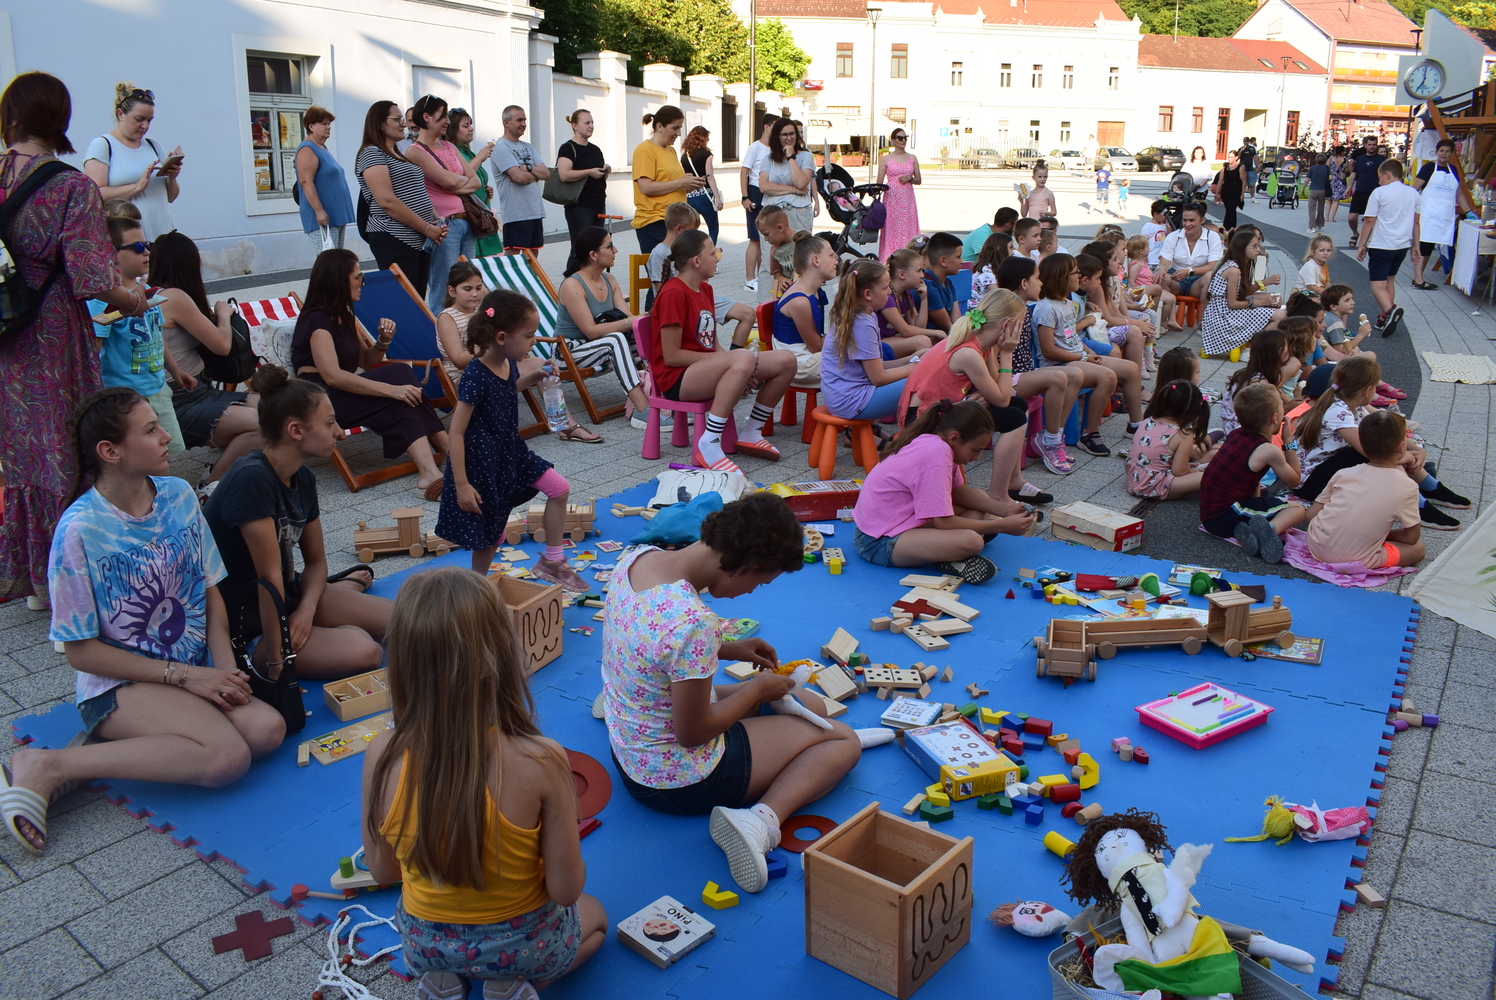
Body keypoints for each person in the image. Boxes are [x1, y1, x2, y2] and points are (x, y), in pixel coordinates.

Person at [2, 388, 285, 856]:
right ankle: (49, 764)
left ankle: (100, 755)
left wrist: (224, 669)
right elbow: (80, 651)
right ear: (110, 452)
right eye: (151, 430)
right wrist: (190, 676)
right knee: (227, 757)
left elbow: (209, 589)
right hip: (121, 685)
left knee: (266, 730)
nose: (166, 437)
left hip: (192, 670)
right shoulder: (78, 530)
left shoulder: (177, 496)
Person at [601, 493, 863, 893]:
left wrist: (727, 648)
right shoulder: (693, 624)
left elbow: (651, 636)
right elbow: (692, 734)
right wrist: (754, 688)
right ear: (747, 566)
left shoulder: (638, 559)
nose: (754, 592)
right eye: (761, 581)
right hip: (675, 781)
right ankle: (758, 822)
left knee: (804, 703)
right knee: (842, 741)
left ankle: (626, 699)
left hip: (631, 743)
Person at [362, 568, 605, 997]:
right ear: (501, 657)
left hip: (425, 947)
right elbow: (567, 891)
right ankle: (516, 986)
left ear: (401, 662)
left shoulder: (381, 752)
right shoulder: (541, 757)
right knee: (597, 918)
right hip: (523, 946)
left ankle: (444, 982)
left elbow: (382, 870)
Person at [0, 71, 155, 611]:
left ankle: (34, 582)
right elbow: (93, 277)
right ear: (60, 121)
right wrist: (133, 298)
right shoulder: (69, 186)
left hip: (5, 330)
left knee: (22, 453)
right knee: (67, 443)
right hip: (52, 335)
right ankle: (70, 577)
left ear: (11, 116)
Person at [204, 367, 392, 679]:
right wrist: (279, 665)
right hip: (250, 625)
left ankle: (333, 606)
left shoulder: (303, 476)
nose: (340, 432)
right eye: (330, 423)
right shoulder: (251, 478)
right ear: (296, 430)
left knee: (404, 620)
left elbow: (317, 562)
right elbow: (268, 580)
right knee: (365, 651)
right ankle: (269, 650)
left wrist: (305, 613)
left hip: (289, 601)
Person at [435, 289, 589, 587]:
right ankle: (476, 586)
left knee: (559, 488)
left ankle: (553, 561)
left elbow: (504, 391)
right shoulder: (475, 375)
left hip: (510, 451)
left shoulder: (507, 364)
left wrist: (535, 377)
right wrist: (463, 484)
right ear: (502, 337)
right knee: (492, 532)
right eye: (529, 335)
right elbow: (456, 431)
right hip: (483, 462)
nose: (534, 342)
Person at [292, 248, 448, 497]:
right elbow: (332, 375)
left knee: (400, 389)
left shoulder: (342, 315)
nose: (362, 282)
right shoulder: (317, 321)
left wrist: (383, 341)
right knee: (399, 382)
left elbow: (367, 361)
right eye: (358, 277)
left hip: (344, 390)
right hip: (319, 398)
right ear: (338, 280)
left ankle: (434, 469)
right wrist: (393, 390)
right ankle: (444, 456)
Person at [647, 231, 797, 474]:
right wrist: (733, 362)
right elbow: (672, 355)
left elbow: (712, 345)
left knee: (786, 361)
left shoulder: (704, 290)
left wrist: (736, 366)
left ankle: (751, 432)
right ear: (696, 261)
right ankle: (710, 442)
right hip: (677, 379)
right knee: (743, 358)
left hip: (701, 370)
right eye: (713, 253)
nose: (717, 258)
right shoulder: (674, 293)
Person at [852, 401, 1034, 578]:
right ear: (954, 437)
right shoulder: (937, 453)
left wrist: (1006, 510)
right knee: (972, 542)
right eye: (975, 450)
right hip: (875, 542)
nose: (978, 457)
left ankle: (946, 553)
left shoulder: (939, 443)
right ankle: (949, 555)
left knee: (979, 500)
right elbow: (943, 523)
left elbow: (958, 492)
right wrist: (1000, 526)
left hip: (897, 522)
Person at [897, 288, 1039, 509]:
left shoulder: (981, 343)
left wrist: (987, 393)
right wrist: (1009, 353)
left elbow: (1001, 391)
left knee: (1018, 406)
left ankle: (1013, 480)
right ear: (1007, 325)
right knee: (1014, 418)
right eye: (1020, 325)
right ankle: (999, 495)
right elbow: (1001, 399)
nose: (1021, 332)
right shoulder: (968, 352)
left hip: (945, 409)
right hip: (922, 420)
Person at [1292, 355, 1466, 527]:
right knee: (1378, 453)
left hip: (1325, 472)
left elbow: (1386, 432)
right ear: (1367, 390)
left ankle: (1430, 488)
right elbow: (1369, 451)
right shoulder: (1337, 411)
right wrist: (1408, 457)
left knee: (1383, 441)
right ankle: (1418, 503)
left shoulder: (1353, 405)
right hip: (1311, 484)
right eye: (1375, 387)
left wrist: (1417, 450)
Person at [149, 231, 264, 488]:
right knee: (268, 424)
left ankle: (233, 460)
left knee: (275, 406)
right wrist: (223, 314)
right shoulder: (174, 297)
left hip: (196, 390)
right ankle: (211, 486)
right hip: (184, 398)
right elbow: (222, 346)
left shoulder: (150, 295)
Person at [555, 226, 656, 427]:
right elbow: (590, 330)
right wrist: (632, 321)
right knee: (616, 340)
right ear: (593, 254)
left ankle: (665, 396)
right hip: (567, 352)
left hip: (599, 344)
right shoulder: (572, 285)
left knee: (647, 332)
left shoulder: (609, 279)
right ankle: (643, 410)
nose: (615, 250)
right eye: (609, 246)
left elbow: (629, 320)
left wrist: (646, 319)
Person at [995, 255, 1084, 478]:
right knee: (1058, 378)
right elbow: (989, 352)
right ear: (1024, 283)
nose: (1041, 282)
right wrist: (989, 387)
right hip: (1007, 378)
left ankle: (1053, 436)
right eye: (1037, 278)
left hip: (1023, 374)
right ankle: (1051, 441)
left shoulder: (1022, 309)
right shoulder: (1008, 313)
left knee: (1075, 374)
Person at [1198, 382, 1305, 563]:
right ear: (1274, 418)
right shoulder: (1269, 451)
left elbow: (1251, 481)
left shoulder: (1235, 434)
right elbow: (1295, 480)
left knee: (1263, 491)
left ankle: (1250, 527)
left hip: (1210, 515)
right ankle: (1266, 531)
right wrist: (1288, 441)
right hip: (1225, 515)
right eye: (1281, 407)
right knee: (1298, 510)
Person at [1306, 410, 1425, 569]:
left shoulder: (1344, 474)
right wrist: (1379, 536)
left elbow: (1311, 515)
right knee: (1418, 550)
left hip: (1316, 546)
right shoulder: (1407, 486)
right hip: (1357, 559)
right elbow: (1411, 537)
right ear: (1401, 446)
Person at [1032, 253, 1122, 457]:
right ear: (1061, 277)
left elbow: (1071, 336)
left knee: (1116, 373)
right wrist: (1082, 358)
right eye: (1075, 272)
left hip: (1074, 358)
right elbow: (1048, 350)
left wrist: (1087, 352)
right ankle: (1081, 434)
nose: (1079, 275)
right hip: (1057, 364)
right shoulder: (1047, 308)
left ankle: (1080, 433)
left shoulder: (1065, 303)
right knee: (1107, 376)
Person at [355, 100, 443, 297]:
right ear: (379, 123)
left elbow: (417, 191)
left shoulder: (397, 153)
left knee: (418, 299)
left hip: (419, 238)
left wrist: (436, 219)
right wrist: (427, 228)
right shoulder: (371, 153)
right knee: (404, 300)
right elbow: (386, 201)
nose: (403, 124)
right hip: (395, 237)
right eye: (397, 119)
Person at [405, 95, 483, 314]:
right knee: (443, 285)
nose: (448, 121)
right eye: (443, 117)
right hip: (444, 225)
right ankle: (440, 334)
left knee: (468, 284)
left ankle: (464, 329)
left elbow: (474, 180)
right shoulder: (415, 151)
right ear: (427, 117)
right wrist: (454, 183)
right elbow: (448, 180)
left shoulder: (449, 145)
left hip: (466, 221)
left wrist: (454, 186)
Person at [647, 203, 757, 347]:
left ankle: (733, 355)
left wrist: (709, 256)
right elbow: (662, 290)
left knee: (748, 314)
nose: (697, 234)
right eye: (693, 230)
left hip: (701, 296)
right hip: (681, 303)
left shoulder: (691, 250)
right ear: (679, 229)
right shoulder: (659, 253)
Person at [822, 259, 918, 423]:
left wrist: (909, 360)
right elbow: (878, 378)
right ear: (867, 294)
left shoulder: (863, 314)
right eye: (885, 287)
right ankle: (911, 441)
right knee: (922, 384)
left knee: (920, 376)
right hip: (851, 401)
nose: (890, 292)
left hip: (842, 396)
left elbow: (874, 368)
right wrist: (915, 367)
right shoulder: (862, 324)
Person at [82, 83, 180, 239]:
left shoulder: (153, 145)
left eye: (149, 120)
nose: (145, 126)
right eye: (139, 119)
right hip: (130, 243)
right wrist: (136, 187)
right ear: (120, 114)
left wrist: (172, 177)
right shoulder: (103, 145)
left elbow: (170, 197)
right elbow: (94, 195)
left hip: (165, 236)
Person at [1356, 159, 1420, 335]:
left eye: (1379, 177)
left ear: (1387, 175)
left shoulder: (1379, 192)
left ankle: (1391, 310)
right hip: (1402, 245)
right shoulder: (1413, 193)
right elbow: (1416, 222)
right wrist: (1416, 246)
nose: (1378, 181)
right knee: (1390, 280)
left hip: (1382, 244)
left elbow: (1369, 220)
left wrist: (1362, 244)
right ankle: (1384, 317)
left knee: (1377, 285)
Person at [632, 105, 703, 256]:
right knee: (664, 274)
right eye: (674, 128)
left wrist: (690, 185)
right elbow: (646, 187)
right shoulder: (645, 150)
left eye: (680, 128)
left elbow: (671, 184)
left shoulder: (670, 151)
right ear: (659, 127)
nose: (678, 133)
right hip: (654, 222)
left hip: (674, 221)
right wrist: (681, 183)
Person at [1127, 379, 1214, 500]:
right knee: (1205, 478)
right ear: (1194, 412)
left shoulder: (1148, 420)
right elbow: (1180, 471)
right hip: (1151, 486)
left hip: (1134, 478)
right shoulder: (1183, 435)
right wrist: (1196, 471)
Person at [1200, 228, 1282, 357]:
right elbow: (1232, 303)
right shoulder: (1233, 270)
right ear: (1242, 248)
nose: (1258, 250)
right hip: (1224, 317)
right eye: (1254, 246)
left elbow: (1242, 292)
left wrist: (1265, 283)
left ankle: (1253, 344)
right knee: (1280, 316)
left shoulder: (1238, 264)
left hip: (1222, 312)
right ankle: (1255, 348)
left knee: (1277, 300)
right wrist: (1260, 302)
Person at [758, 120, 816, 291]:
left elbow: (801, 181)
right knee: (770, 262)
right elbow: (764, 186)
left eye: (792, 133)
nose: (789, 138)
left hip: (798, 212)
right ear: (777, 136)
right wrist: (792, 189)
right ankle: (765, 307)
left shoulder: (805, 156)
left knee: (800, 259)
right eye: (784, 134)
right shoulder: (768, 159)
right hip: (772, 214)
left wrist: (791, 156)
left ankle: (801, 299)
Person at [771, 234, 836, 383]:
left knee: (861, 348)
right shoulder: (800, 301)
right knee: (856, 355)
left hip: (808, 356)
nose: (836, 261)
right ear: (816, 261)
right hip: (798, 364)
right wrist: (844, 320)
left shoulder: (812, 291)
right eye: (831, 255)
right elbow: (817, 347)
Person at [294, 106, 356, 256]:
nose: (328, 127)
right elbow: (305, 182)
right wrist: (319, 211)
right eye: (324, 124)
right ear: (311, 126)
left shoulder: (321, 147)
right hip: (324, 217)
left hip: (336, 215)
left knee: (337, 260)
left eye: (329, 124)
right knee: (329, 261)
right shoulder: (307, 149)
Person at [1411, 137, 1471, 290]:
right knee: (1423, 246)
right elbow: (1414, 189)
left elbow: (1458, 194)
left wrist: (1469, 212)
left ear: (1452, 153)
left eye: (1447, 151)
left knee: (1430, 247)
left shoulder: (1454, 170)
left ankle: (1418, 276)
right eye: (1441, 151)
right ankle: (1418, 279)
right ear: (1436, 152)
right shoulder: (1428, 168)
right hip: (1428, 213)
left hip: (1444, 215)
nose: (1444, 154)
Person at [491, 105, 550, 255]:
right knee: (514, 260)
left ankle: (531, 279)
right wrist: (531, 174)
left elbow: (546, 173)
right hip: (516, 214)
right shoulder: (502, 148)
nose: (523, 124)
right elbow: (519, 177)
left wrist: (527, 168)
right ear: (506, 122)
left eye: (524, 120)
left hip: (534, 211)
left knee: (533, 257)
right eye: (519, 120)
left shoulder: (528, 146)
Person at [449, 108, 504, 257]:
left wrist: (486, 190)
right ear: (453, 130)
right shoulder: (453, 153)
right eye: (465, 126)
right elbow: (460, 177)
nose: (471, 129)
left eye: (470, 125)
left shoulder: (468, 152)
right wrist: (479, 158)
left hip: (481, 214)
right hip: (470, 217)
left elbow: (476, 178)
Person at [1218, 327, 1294, 436]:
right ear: (1280, 351)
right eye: (1288, 347)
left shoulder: (1248, 375)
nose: (1290, 351)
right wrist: (1287, 408)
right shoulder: (1258, 384)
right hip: (1242, 436)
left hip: (1236, 431)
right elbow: (1261, 421)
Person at [556, 108, 612, 257]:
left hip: (598, 203)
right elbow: (564, 174)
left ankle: (591, 279)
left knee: (597, 247)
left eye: (592, 122)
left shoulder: (595, 149)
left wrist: (604, 171)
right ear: (575, 125)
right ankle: (571, 279)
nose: (591, 126)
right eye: (587, 122)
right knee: (581, 249)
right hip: (579, 206)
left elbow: (598, 177)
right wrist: (589, 172)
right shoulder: (568, 148)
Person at [739, 116, 780, 292]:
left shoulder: (775, 149)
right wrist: (745, 197)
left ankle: (760, 275)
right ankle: (749, 279)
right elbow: (744, 173)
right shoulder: (755, 148)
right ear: (766, 127)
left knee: (765, 238)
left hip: (769, 193)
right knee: (754, 239)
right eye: (775, 127)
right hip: (755, 193)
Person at [1156, 203, 1222, 298]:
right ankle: (1170, 311)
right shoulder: (1173, 236)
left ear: (1202, 220)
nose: (1187, 224)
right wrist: (1161, 269)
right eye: (1184, 220)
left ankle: (1204, 312)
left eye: (1191, 220)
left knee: (1210, 276)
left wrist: (1189, 271)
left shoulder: (1212, 236)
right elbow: (1165, 262)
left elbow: (1213, 266)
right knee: (1161, 278)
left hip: (1199, 280)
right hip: (1176, 279)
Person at [879, 249, 935, 358]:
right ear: (902, 274)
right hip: (879, 343)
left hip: (892, 340)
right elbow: (905, 331)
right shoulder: (888, 297)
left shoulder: (906, 294)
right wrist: (937, 332)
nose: (922, 275)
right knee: (923, 342)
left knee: (930, 339)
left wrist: (924, 300)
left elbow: (919, 327)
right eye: (919, 271)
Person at [436, 261, 484, 387]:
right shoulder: (447, 318)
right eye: (467, 289)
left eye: (479, 288)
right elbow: (459, 360)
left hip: (489, 368)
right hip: (462, 377)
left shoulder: (481, 310)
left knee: (538, 365)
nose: (475, 294)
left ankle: (542, 407)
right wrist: (490, 349)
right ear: (452, 291)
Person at [876, 128, 921, 258]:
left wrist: (910, 179)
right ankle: (890, 257)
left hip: (907, 199)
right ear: (893, 140)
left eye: (905, 137)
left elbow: (919, 180)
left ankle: (910, 256)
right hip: (891, 199)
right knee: (891, 229)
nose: (903, 141)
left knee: (908, 227)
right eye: (900, 138)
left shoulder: (912, 158)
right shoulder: (886, 159)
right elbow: (879, 183)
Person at [681, 125, 723, 245]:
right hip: (705, 197)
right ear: (703, 139)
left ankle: (692, 255)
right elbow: (709, 176)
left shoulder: (684, 157)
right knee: (713, 230)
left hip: (690, 197)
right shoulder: (706, 154)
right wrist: (717, 197)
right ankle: (709, 255)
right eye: (707, 138)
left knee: (691, 231)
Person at [922, 232, 965, 333]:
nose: (962, 261)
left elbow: (956, 321)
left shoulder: (948, 283)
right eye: (958, 257)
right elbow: (948, 326)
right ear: (943, 261)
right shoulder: (928, 286)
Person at [1347, 136, 1383, 248]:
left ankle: (1366, 241)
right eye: (1370, 144)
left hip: (1375, 192)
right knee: (1351, 218)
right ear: (1365, 145)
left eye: (1374, 144)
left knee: (1370, 219)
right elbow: (1353, 175)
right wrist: (1349, 188)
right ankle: (1355, 233)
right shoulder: (1360, 159)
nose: (1372, 147)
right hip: (1360, 191)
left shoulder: (1382, 160)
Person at [968, 232, 1012, 310]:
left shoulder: (994, 269)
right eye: (1011, 248)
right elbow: (999, 295)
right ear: (999, 249)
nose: (1013, 252)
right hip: (978, 313)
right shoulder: (986, 271)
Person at [1214, 149, 1246, 230]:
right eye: (1229, 157)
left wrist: (1242, 194)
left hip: (1235, 193)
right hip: (1226, 192)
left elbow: (1244, 181)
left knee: (1230, 210)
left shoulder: (1240, 168)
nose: (1230, 159)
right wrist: (1217, 193)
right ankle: (1233, 228)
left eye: (1232, 157)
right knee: (1230, 210)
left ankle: (1225, 227)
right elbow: (1220, 181)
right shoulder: (1225, 168)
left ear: (1236, 157)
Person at [1305, 153, 1330, 234]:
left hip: (1313, 189)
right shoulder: (1326, 168)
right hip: (1323, 190)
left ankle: (1312, 226)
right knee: (1321, 207)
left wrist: (1303, 189)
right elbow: (1330, 177)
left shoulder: (1312, 168)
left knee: (1311, 208)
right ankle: (1319, 224)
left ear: (1316, 160)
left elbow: (1307, 180)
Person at [1327, 145, 1349, 225]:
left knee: (1329, 199)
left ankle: (1326, 217)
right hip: (1340, 180)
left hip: (1331, 179)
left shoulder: (1331, 158)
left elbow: (1326, 167)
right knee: (1336, 200)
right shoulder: (1345, 159)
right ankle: (1332, 218)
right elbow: (1348, 170)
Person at [1240, 136, 1258, 203]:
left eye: (1246, 141)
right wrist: (1241, 150)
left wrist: (1257, 166)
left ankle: (1252, 197)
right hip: (1243, 167)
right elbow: (1238, 157)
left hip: (1251, 167)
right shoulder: (1241, 149)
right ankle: (1241, 196)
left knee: (1252, 183)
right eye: (1244, 141)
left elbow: (1255, 157)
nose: (1245, 143)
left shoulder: (1252, 148)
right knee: (1243, 182)